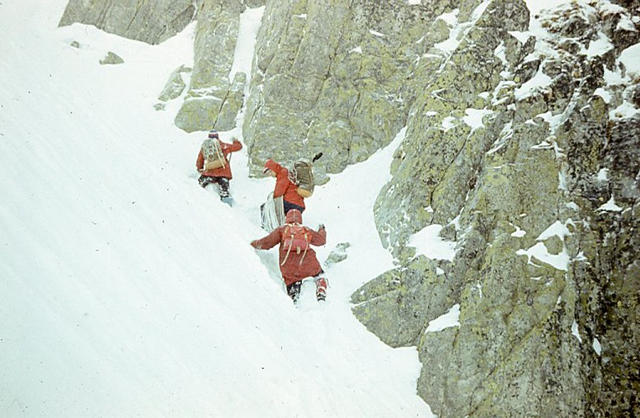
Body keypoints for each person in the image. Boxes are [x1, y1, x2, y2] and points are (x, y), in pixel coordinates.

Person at [251, 209, 328, 302]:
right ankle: (321, 288)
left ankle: (294, 299)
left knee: (292, 284)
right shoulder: (305, 229)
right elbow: (321, 241)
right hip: (308, 263)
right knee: (319, 275)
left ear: (287, 218)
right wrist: (322, 230)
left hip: (289, 267)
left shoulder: (282, 230)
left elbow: (265, 243)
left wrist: (253, 244)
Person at [196, 131, 242, 199]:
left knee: (200, 183)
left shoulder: (205, 147)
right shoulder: (224, 146)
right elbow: (238, 147)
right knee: (224, 186)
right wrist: (235, 141)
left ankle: (199, 194)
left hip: (209, 172)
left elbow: (200, 159)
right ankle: (225, 197)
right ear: (217, 137)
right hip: (223, 173)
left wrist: (200, 168)